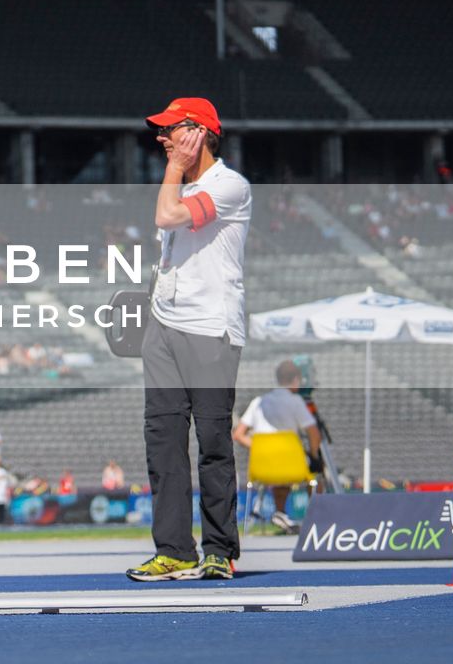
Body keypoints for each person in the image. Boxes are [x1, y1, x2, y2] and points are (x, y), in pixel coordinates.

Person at [127, 97, 250, 582]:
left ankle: (219, 549)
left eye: (171, 130)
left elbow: (168, 217)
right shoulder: (186, 181)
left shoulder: (229, 185)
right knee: (163, 441)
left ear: (199, 133)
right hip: (165, 325)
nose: (162, 139)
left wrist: (176, 169)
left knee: (214, 442)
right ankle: (175, 550)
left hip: (210, 328)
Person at [232, 359, 322, 532]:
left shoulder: (258, 402)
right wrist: (314, 455)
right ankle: (315, 522)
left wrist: (260, 448)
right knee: (317, 474)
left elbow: (238, 434)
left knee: (280, 472)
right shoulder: (296, 402)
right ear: (296, 379)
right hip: (292, 467)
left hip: (263, 468)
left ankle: (280, 514)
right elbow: (314, 433)